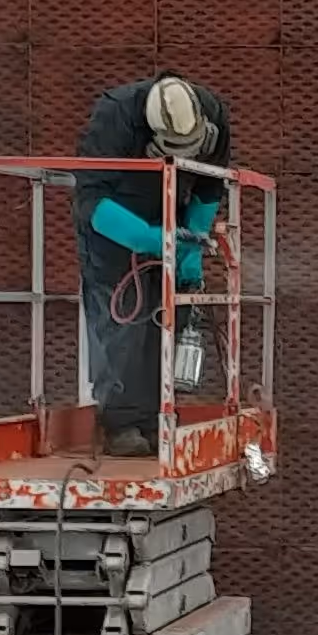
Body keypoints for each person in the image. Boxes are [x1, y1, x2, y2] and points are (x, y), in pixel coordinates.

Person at [73, 72, 233, 460]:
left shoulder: (212, 110)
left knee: (167, 319)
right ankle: (122, 424)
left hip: (172, 218)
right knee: (122, 325)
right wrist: (145, 238)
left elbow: (211, 187)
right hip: (116, 231)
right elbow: (90, 198)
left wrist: (190, 245)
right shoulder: (115, 116)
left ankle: (156, 417)